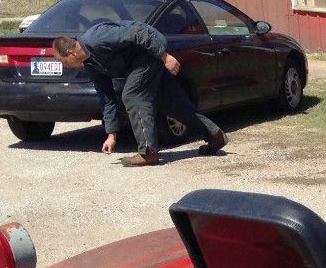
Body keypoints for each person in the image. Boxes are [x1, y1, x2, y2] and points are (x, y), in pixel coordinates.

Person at [51, 21, 227, 167]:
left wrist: (165, 57)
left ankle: (148, 152)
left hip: (150, 51)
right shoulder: (90, 65)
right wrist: (111, 134)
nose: (66, 66)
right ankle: (215, 135)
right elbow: (107, 97)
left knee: (133, 95)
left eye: (64, 62)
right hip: (140, 62)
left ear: (71, 52)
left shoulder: (97, 38)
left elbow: (138, 32)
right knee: (173, 103)